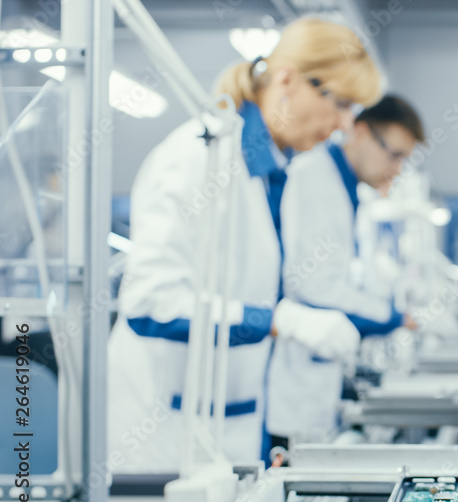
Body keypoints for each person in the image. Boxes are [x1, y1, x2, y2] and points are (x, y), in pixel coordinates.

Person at [107, 19, 382, 472]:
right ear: (288, 79)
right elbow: (150, 304)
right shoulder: (196, 159)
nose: (344, 125)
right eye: (342, 103)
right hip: (160, 435)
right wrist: (280, 319)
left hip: (232, 424)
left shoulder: (280, 171)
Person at [267, 94, 425, 445]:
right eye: (395, 154)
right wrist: (392, 317)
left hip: (314, 379)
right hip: (290, 378)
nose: (397, 169)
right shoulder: (316, 178)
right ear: (363, 133)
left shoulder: (345, 188)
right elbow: (315, 287)